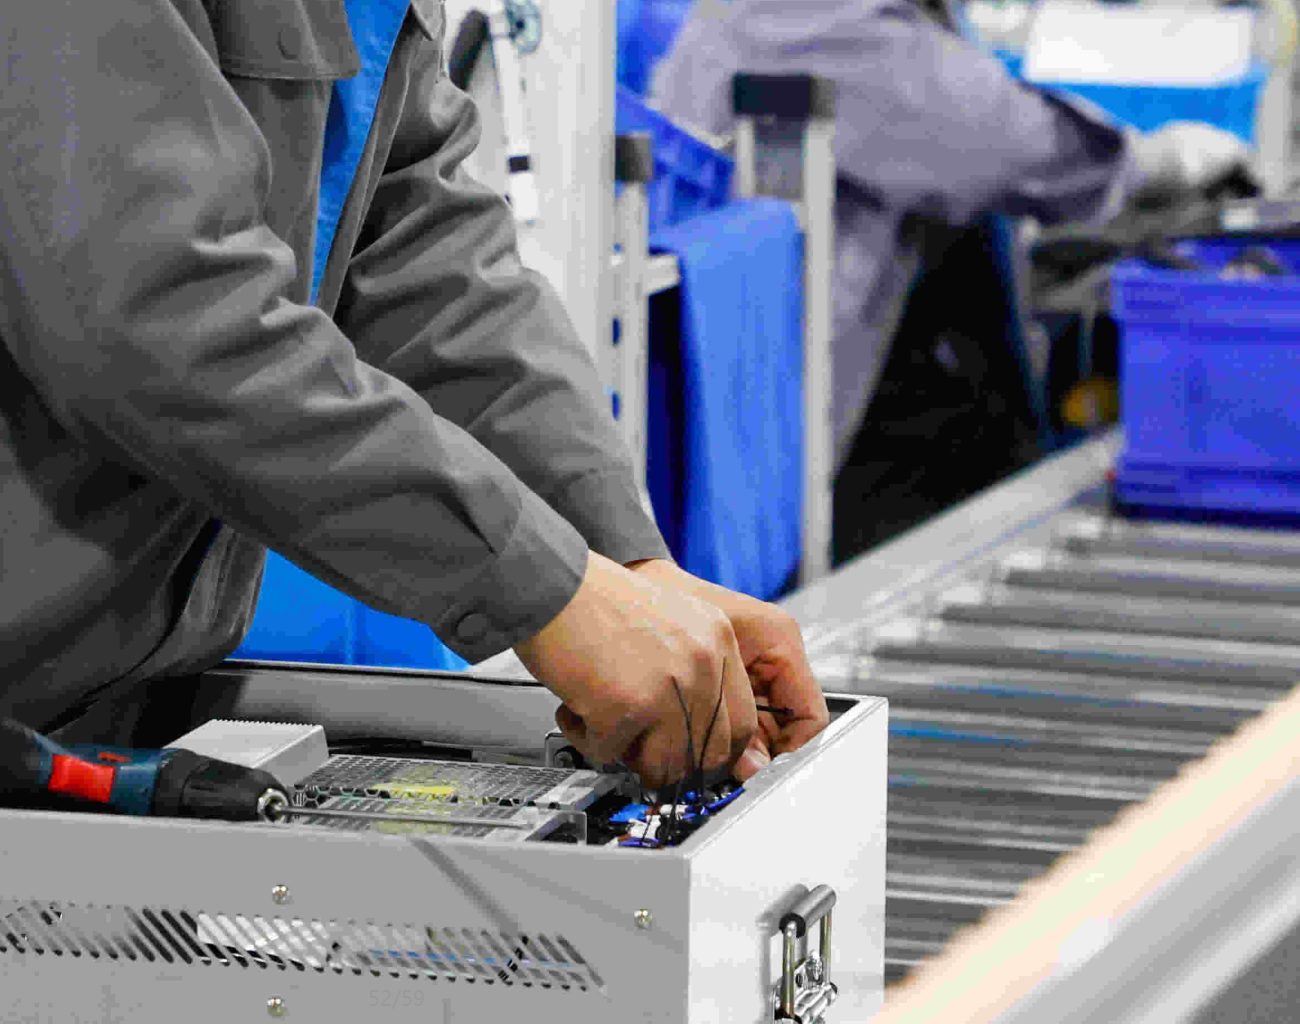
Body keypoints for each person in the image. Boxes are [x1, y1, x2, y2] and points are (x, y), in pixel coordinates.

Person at [0, 0, 828, 790]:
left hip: (90, 711)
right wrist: (547, 587)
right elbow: (163, 318)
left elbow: (422, 254)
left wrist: (625, 568)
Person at [650, 0, 1252, 474]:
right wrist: (1164, 161)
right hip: (798, 430)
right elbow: (997, 144)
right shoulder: (806, 14)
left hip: (853, 395)